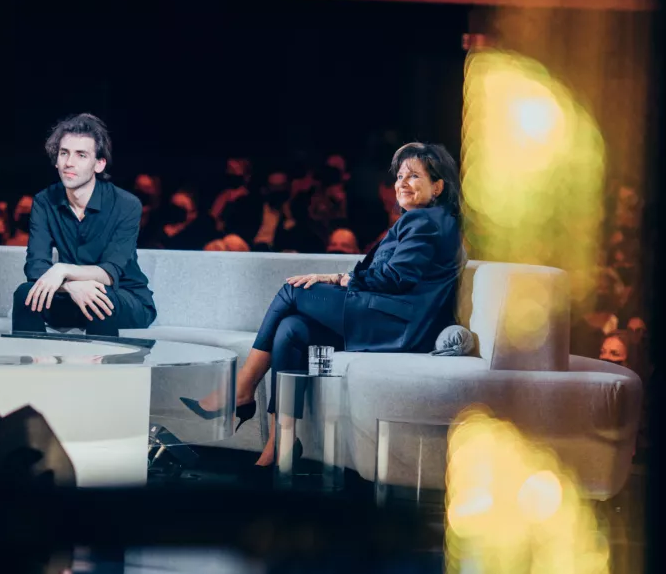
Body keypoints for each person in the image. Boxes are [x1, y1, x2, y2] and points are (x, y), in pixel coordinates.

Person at [181, 143, 465, 467]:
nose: (402, 183)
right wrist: (341, 279)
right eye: (399, 176)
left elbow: (396, 277)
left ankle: (242, 390)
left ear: (438, 186)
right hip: (393, 321)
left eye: (413, 176)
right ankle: (281, 443)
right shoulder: (430, 220)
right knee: (292, 329)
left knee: (292, 291)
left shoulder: (425, 221)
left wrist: (338, 278)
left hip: (396, 324)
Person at [12, 113, 156, 336]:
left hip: (124, 297)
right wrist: (70, 285)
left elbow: (110, 273)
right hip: (71, 294)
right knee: (25, 294)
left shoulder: (126, 204)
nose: (69, 162)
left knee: (99, 297)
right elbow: (35, 267)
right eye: (64, 153)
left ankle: (100, 360)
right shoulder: (44, 201)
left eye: (81, 155)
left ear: (99, 164)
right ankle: (33, 358)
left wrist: (63, 270)